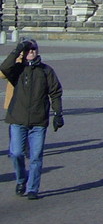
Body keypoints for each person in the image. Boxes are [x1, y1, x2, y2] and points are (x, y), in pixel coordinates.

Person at [2, 39, 63, 199]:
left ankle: (32, 189)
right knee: (16, 154)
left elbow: (55, 93)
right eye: (28, 49)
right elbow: (4, 67)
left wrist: (58, 114)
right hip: (18, 119)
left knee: (36, 157)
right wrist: (18, 50)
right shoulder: (18, 70)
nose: (31, 51)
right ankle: (21, 179)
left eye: (33, 49)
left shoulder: (46, 71)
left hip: (38, 121)